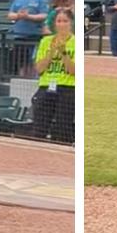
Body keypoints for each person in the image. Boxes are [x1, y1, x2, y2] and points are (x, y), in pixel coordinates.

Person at [31, 8, 75, 143]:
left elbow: (73, 71)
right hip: (46, 85)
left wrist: (63, 53)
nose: (61, 24)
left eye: (65, 21)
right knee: (39, 127)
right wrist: (51, 52)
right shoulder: (46, 41)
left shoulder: (75, 42)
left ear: (71, 23)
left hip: (67, 86)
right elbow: (39, 69)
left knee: (63, 128)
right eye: (59, 21)